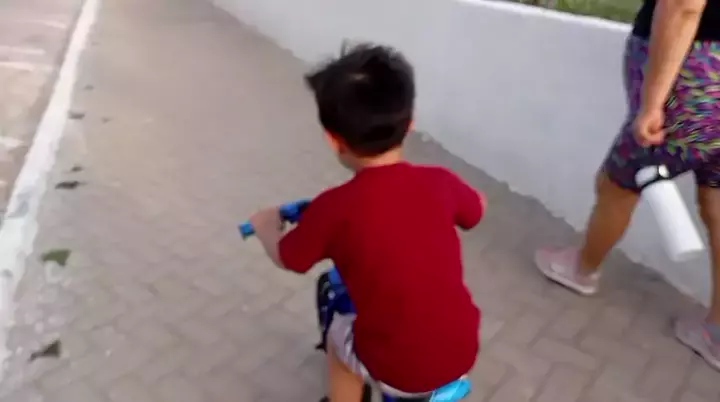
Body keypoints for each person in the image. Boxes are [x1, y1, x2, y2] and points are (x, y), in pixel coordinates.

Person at [248, 43, 484, 400]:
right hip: (462, 348)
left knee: (337, 338)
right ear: (410, 124)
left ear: (333, 139)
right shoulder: (440, 181)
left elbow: (290, 258)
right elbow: (476, 211)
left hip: (397, 367)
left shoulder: (333, 208)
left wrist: (266, 226)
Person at [535, 0, 720, 370]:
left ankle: (582, 268)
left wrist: (653, 103)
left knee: (618, 183)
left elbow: (683, 5)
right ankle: (716, 333)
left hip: (698, 78)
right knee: (716, 196)